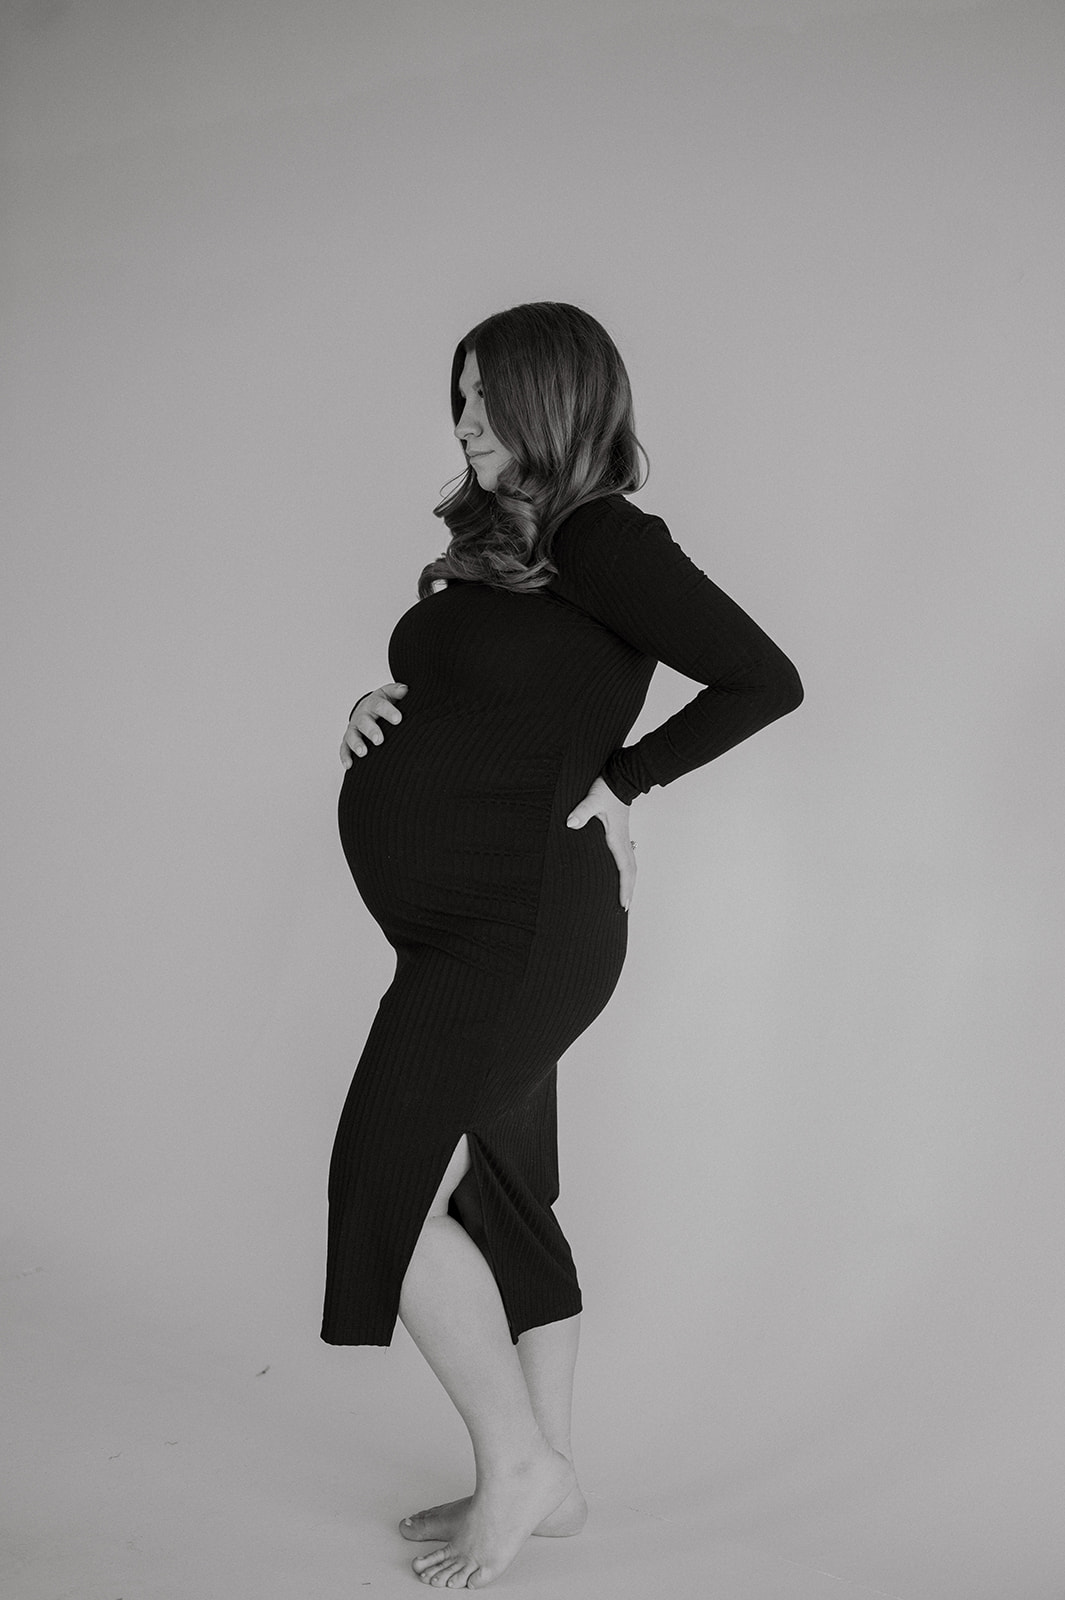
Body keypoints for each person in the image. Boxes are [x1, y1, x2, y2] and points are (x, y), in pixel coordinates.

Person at [324, 301, 803, 1589]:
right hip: (470, 925)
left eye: (490, 397)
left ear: (556, 401)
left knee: (387, 1189)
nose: (466, 420)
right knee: (500, 1192)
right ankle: (550, 1484)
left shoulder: (603, 536)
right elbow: (482, 693)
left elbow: (764, 680)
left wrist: (625, 781)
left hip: (519, 928)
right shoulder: (513, 545)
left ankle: (518, 1462)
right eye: (459, 396)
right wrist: (378, 707)